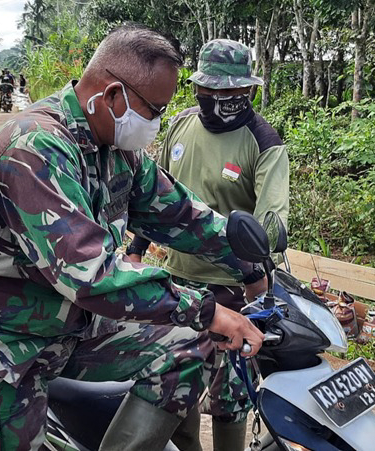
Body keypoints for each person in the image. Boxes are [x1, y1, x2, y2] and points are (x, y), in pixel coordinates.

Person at [0, 25, 267, 451]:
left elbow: (181, 214)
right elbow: (92, 274)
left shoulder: (116, 149)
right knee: (200, 324)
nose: (158, 122)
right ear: (112, 96)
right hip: (1, 342)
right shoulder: (35, 147)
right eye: (154, 109)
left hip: (69, 324)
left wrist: (250, 258)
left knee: (188, 348)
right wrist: (206, 309)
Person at [127, 38, 289, 450]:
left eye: (231, 92)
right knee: (171, 382)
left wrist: (254, 269)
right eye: (211, 90)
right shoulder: (181, 124)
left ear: (248, 90)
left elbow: (268, 227)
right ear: (198, 88)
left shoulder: (263, 142)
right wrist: (135, 248)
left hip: (236, 288)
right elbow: (157, 196)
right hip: (175, 282)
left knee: (229, 397)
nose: (219, 99)